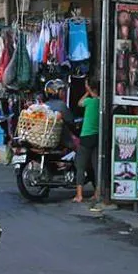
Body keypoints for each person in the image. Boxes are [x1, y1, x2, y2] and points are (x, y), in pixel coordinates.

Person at [73, 76, 100, 204]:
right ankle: (97, 193)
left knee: (80, 166)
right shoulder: (101, 102)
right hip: (96, 137)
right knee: (96, 166)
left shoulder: (89, 101)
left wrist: (87, 91)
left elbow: (79, 103)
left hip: (86, 136)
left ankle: (79, 195)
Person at [41, 79, 76, 150]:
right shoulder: (61, 105)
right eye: (62, 91)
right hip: (62, 142)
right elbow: (71, 122)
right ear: (56, 92)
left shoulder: (44, 105)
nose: (64, 93)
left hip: (45, 140)